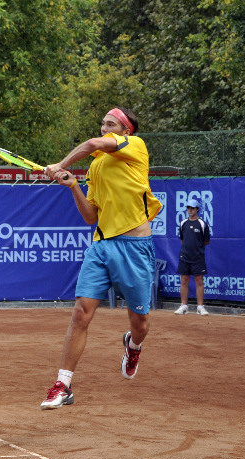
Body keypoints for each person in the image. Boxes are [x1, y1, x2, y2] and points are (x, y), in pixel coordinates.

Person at [39, 107, 162, 410]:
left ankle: (132, 345)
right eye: (103, 123)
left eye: (111, 124)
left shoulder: (136, 147)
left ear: (126, 131)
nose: (105, 128)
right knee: (81, 312)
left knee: (141, 324)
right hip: (101, 245)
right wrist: (73, 186)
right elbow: (90, 216)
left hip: (135, 247)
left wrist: (60, 164)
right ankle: (63, 385)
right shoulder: (96, 167)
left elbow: (93, 144)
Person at [174, 198, 211, 316]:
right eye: (188, 208)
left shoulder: (202, 224)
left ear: (197, 209)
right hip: (184, 257)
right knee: (184, 281)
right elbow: (182, 239)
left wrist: (196, 249)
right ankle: (184, 306)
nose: (190, 210)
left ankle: (200, 307)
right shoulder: (183, 223)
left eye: (192, 208)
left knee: (199, 281)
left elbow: (206, 241)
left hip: (198, 258)